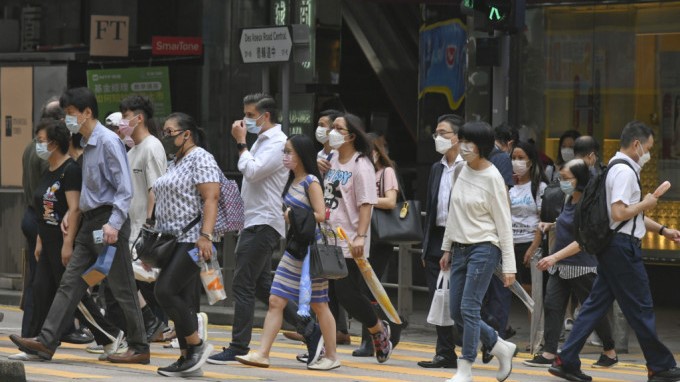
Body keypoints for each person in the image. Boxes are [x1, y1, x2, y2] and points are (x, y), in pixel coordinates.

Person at [9, 87, 149, 364]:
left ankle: (139, 345)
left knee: (121, 287)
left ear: (87, 113)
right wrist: (73, 214)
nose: (68, 120)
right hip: (89, 223)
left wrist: (113, 224)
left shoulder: (108, 142)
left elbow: (124, 189)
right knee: (70, 282)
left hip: (108, 223)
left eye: (71, 114)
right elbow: (91, 190)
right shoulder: (86, 144)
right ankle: (46, 341)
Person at [549, 121, 680, 382]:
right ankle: (660, 365)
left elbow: (626, 216)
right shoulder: (624, 172)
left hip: (614, 246)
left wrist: (663, 231)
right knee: (641, 307)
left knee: (594, 305)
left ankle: (567, 359)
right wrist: (648, 202)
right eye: (648, 148)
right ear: (636, 144)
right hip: (622, 248)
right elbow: (619, 213)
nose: (648, 153)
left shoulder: (615, 168)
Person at [236, 134, 340, 371]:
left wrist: (292, 214)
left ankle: (332, 355)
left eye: (289, 151)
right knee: (275, 299)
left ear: (301, 154)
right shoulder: (292, 179)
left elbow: (322, 215)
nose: (285, 156)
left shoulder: (310, 181)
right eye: (284, 151)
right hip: (296, 249)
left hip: (311, 251)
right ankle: (262, 353)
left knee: (319, 304)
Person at [209, 93, 299, 363]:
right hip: (254, 220)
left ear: (266, 116)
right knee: (263, 287)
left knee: (243, 284)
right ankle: (311, 329)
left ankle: (238, 346)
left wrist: (240, 143)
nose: (244, 120)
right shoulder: (261, 140)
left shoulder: (279, 143)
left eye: (249, 115)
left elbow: (253, 171)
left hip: (264, 222)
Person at [440, 121, 517, 382]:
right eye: (461, 141)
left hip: (485, 247)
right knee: (456, 312)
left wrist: (509, 266)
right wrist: (446, 247)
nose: (463, 147)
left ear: (482, 146)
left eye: (469, 142)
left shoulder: (493, 177)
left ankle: (466, 367)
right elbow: (454, 212)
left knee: (469, 308)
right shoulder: (459, 170)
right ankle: (500, 346)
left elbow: (504, 223)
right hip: (460, 248)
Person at [522, 159, 617, 368]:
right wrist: (552, 225)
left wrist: (554, 257)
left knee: (592, 310)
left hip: (581, 266)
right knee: (553, 305)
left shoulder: (590, 204)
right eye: (560, 178)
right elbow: (568, 224)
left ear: (580, 179)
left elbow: (584, 239)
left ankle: (609, 351)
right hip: (560, 264)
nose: (562, 182)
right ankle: (548, 353)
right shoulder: (569, 199)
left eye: (566, 178)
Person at [151, 112, 218, 377]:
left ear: (186, 134)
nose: (165, 137)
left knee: (164, 291)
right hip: (171, 239)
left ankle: (196, 345)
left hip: (193, 239)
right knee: (181, 297)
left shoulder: (201, 157)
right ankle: (186, 357)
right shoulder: (174, 160)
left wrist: (206, 236)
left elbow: (210, 198)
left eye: (170, 132)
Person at [323, 113, 392, 363]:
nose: (332, 131)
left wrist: (361, 236)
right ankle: (324, 347)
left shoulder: (360, 163)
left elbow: (366, 203)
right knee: (326, 295)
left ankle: (378, 329)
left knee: (347, 294)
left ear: (351, 135)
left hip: (349, 238)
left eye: (338, 128)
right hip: (327, 238)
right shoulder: (330, 160)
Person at [350, 132, 405, 358]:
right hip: (363, 235)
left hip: (380, 239)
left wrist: (366, 199)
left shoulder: (387, 172)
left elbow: (391, 201)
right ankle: (391, 324)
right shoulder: (361, 172)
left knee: (368, 289)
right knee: (365, 288)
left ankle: (371, 338)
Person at [417, 114, 463, 369]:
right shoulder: (436, 168)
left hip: (460, 238)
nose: (438, 138)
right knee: (438, 296)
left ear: (457, 137)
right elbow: (431, 208)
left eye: (443, 133)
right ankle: (445, 352)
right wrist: (425, 248)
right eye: (436, 133)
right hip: (436, 237)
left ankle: (489, 341)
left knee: (459, 299)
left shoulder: (466, 166)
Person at [509, 141, 548, 294]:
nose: (516, 162)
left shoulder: (540, 187)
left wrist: (533, 248)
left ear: (530, 161)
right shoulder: (510, 187)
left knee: (531, 290)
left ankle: (536, 319)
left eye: (521, 157)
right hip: (512, 244)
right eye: (514, 158)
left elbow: (542, 220)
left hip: (530, 243)